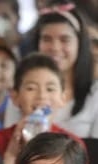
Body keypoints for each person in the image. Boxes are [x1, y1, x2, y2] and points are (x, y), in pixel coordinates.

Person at [0, 53, 85, 164]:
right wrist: (11, 155)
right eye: (31, 88)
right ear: (15, 96)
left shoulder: (73, 145)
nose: (42, 95)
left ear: (63, 98)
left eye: (50, 89)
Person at [33, 6, 98, 137]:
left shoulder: (95, 95)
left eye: (64, 40)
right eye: (47, 39)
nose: (55, 48)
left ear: (79, 44)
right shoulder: (23, 88)